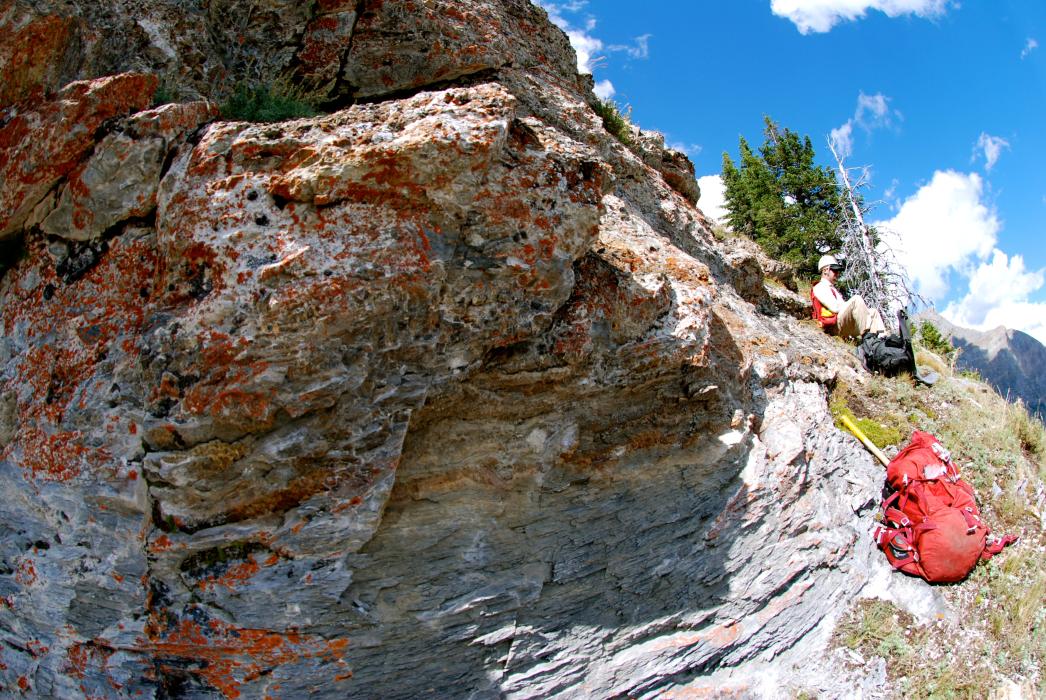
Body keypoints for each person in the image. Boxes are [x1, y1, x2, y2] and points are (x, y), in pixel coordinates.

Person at [812, 254, 886, 339]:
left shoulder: (832, 289)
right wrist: (852, 307)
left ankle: (882, 338)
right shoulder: (820, 287)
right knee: (856, 299)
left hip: (841, 323)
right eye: (835, 271)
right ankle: (868, 336)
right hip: (834, 327)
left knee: (873, 312)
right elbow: (835, 308)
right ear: (825, 270)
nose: (837, 274)